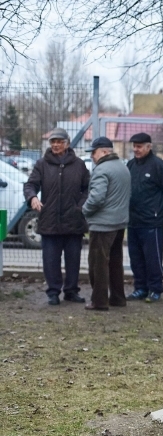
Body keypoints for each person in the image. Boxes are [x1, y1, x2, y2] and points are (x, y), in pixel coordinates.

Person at [23, 127, 90, 306]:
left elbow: (87, 188)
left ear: (67, 144)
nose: (56, 144)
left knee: (73, 260)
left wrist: (80, 206)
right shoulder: (41, 164)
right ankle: (53, 292)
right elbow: (30, 185)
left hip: (73, 220)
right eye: (53, 141)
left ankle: (71, 291)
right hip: (50, 220)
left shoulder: (79, 165)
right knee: (50, 260)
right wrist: (33, 197)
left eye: (59, 141)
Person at [126, 132, 163, 303]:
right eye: (134, 146)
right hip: (133, 220)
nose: (136, 149)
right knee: (136, 258)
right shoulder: (130, 166)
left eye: (139, 146)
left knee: (153, 258)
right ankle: (140, 288)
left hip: (152, 222)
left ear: (149, 147)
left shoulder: (159, 166)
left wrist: (158, 206)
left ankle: (155, 289)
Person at [82, 137, 132, 311]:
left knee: (98, 264)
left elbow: (96, 197)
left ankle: (99, 301)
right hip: (119, 223)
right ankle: (118, 298)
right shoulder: (122, 167)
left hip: (102, 225)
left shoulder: (102, 170)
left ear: (103, 152)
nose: (92, 157)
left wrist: (84, 210)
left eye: (93, 153)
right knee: (115, 262)